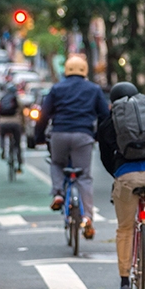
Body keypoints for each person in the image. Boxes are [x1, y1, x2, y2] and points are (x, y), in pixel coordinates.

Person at [98, 81, 145, 289]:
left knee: (125, 229)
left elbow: (105, 156)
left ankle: (124, 284)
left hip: (126, 176)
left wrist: (117, 174)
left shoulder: (109, 122)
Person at [34, 55, 109, 240]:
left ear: (66, 70)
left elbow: (44, 115)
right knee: (83, 176)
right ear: (85, 71)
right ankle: (87, 217)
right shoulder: (94, 89)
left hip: (59, 134)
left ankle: (59, 194)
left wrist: (37, 137)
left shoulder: (57, 88)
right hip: (83, 135)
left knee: (57, 163)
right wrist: (98, 136)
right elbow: (105, 115)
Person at [0, 83, 23, 172]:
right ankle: (19, 164)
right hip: (15, 124)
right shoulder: (17, 100)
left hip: (3, 123)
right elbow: (22, 113)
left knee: (2, 135)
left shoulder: (2, 99)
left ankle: (3, 149)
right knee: (17, 144)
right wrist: (23, 125)